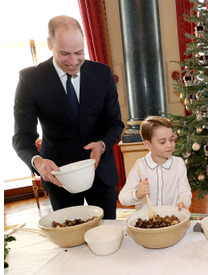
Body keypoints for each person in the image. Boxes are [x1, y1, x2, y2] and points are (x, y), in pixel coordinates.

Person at [12, 15, 124, 219]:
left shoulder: (102, 74)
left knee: (108, 240)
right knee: (70, 246)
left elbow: (115, 124)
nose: (73, 62)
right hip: (59, 179)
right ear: (49, 44)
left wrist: (102, 144)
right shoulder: (30, 80)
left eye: (79, 53)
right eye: (65, 54)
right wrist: (38, 162)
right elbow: (21, 137)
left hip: (101, 176)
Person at [118, 116, 192, 210]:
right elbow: (123, 198)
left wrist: (183, 202)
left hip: (171, 219)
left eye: (171, 140)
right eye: (162, 142)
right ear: (148, 144)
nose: (169, 145)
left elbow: (185, 192)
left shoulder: (179, 163)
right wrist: (137, 194)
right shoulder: (140, 165)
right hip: (147, 221)